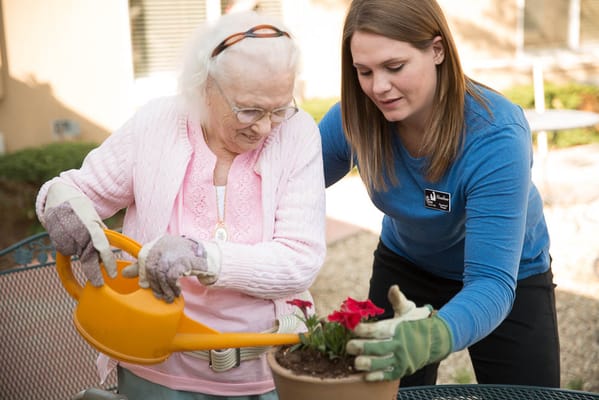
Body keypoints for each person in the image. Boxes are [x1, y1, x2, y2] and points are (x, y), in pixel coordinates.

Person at [35, 11, 327, 399]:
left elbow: (299, 260)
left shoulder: (297, 133)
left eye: (279, 108)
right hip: (154, 363)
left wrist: (202, 255)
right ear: (205, 86)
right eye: (250, 109)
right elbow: (73, 189)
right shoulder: (157, 122)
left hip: (262, 373)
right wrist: (62, 206)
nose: (265, 127)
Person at [319, 0, 560, 388]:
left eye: (394, 67)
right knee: (385, 389)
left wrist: (433, 336)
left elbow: (490, 282)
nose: (378, 87)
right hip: (407, 268)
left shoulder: (495, 134)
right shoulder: (355, 116)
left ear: (436, 50)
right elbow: (286, 186)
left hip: (507, 275)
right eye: (364, 71)